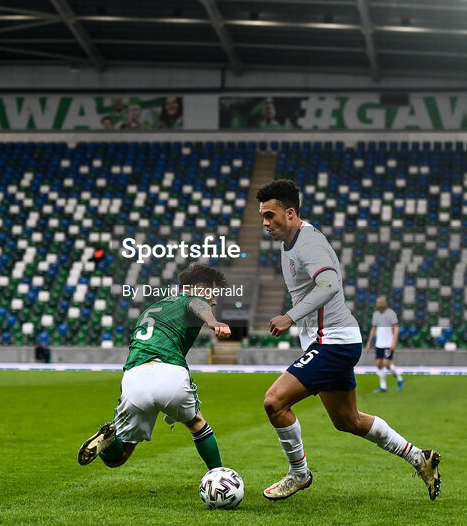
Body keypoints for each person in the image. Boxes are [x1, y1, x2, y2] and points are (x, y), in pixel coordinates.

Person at [256, 179, 441, 501]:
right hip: (332, 341)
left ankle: (299, 474)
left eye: (270, 215)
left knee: (274, 402)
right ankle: (419, 458)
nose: (265, 223)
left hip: (334, 342)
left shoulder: (308, 245)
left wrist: (290, 316)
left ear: (290, 213)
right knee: (348, 420)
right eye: (262, 216)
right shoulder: (294, 241)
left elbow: (329, 284)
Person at [77, 264, 231, 471]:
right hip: (169, 372)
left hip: (134, 377)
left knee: (117, 458)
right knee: (196, 423)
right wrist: (214, 322)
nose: (214, 299)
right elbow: (198, 305)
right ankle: (219, 473)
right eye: (212, 292)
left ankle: (109, 441)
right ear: (200, 288)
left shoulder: (152, 308)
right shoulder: (194, 300)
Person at [365, 295, 405, 392]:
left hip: (388, 343)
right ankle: (383, 387)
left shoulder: (391, 313)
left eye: (381, 303)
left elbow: (396, 328)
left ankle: (399, 379)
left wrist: (394, 342)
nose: (380, 305)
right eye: (379, 303)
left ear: (385, 303)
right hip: (379, 343)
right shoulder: (376, 314)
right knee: (379, 364)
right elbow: (374, 328)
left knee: (386, 363)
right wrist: (369, 343)